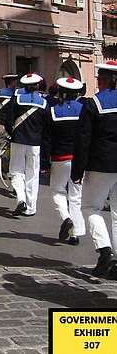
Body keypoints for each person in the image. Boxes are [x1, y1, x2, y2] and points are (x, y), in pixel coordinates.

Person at [72, 60, 117, 278]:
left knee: (90, 207)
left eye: (99, 78)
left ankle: (105, 251)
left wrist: (77, 171)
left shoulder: (93, 104)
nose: (97, 81)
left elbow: (83, 140)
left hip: (102, 163)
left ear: (106, 80)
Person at [41, 77, 86, 245]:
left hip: (59, 158)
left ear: (60, 93)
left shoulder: (52, 111)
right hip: (78, 159)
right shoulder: (84, 110)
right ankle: (76, 234)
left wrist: (45, 164)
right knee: (76, 195)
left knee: (58, 191)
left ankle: (66, 218)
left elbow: (46, 141)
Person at [5, 72, 49, 217]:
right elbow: (46, 125)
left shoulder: (16, 98)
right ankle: (31, 207)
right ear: (37, 86)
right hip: (35, 143)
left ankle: (20, 199)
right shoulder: (43, 103)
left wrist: (11, 132)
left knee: (16, 171)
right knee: (33, 175)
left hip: (18, 140)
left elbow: (8, 119)